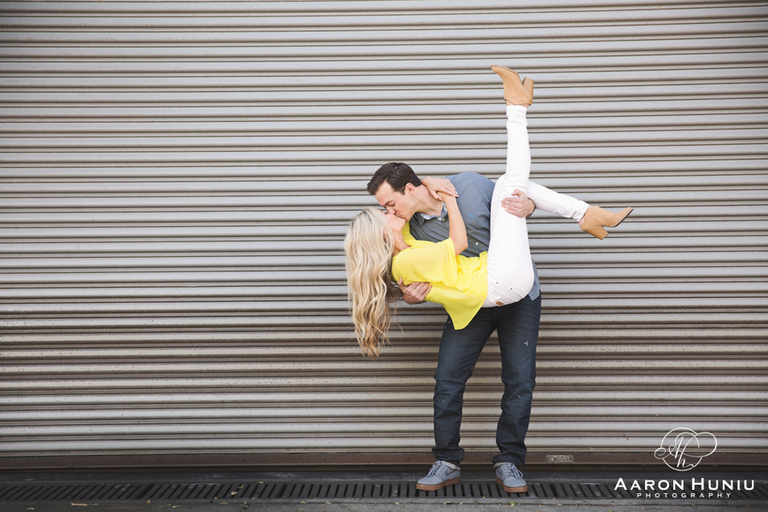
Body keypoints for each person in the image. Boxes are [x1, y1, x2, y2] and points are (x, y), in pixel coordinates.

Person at [345, 66, 632, 494]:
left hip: (517, 294)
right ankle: (446, 461)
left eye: (389, 202)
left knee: (520, 380)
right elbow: (392, 271)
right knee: (447, 380)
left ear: (409, 188)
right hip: (470, 303)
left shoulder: (471, 187)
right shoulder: (406, 232)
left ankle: (510, 461)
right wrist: (408, 296)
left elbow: (514, 196)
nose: (389, 212)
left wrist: (528, 209)